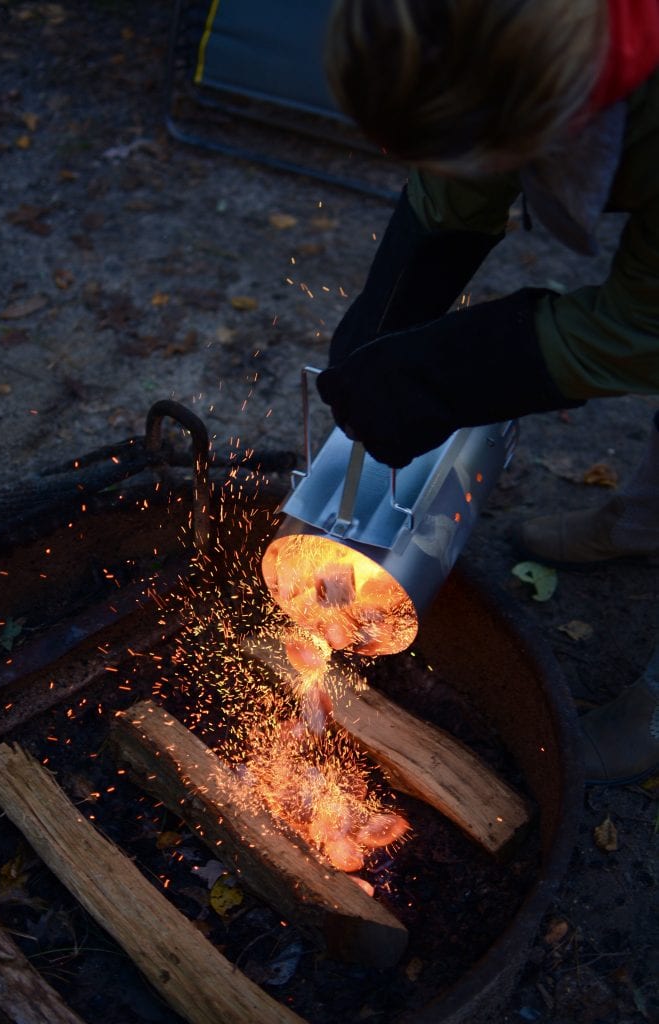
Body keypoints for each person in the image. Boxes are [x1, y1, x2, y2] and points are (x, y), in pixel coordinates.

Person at [316, 0, 659, 784]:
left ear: (556, 113)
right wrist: (394, 309)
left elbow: (640, 329)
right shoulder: (484, 32)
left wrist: (439, 375)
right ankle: (643, 522)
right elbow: (467, 155)